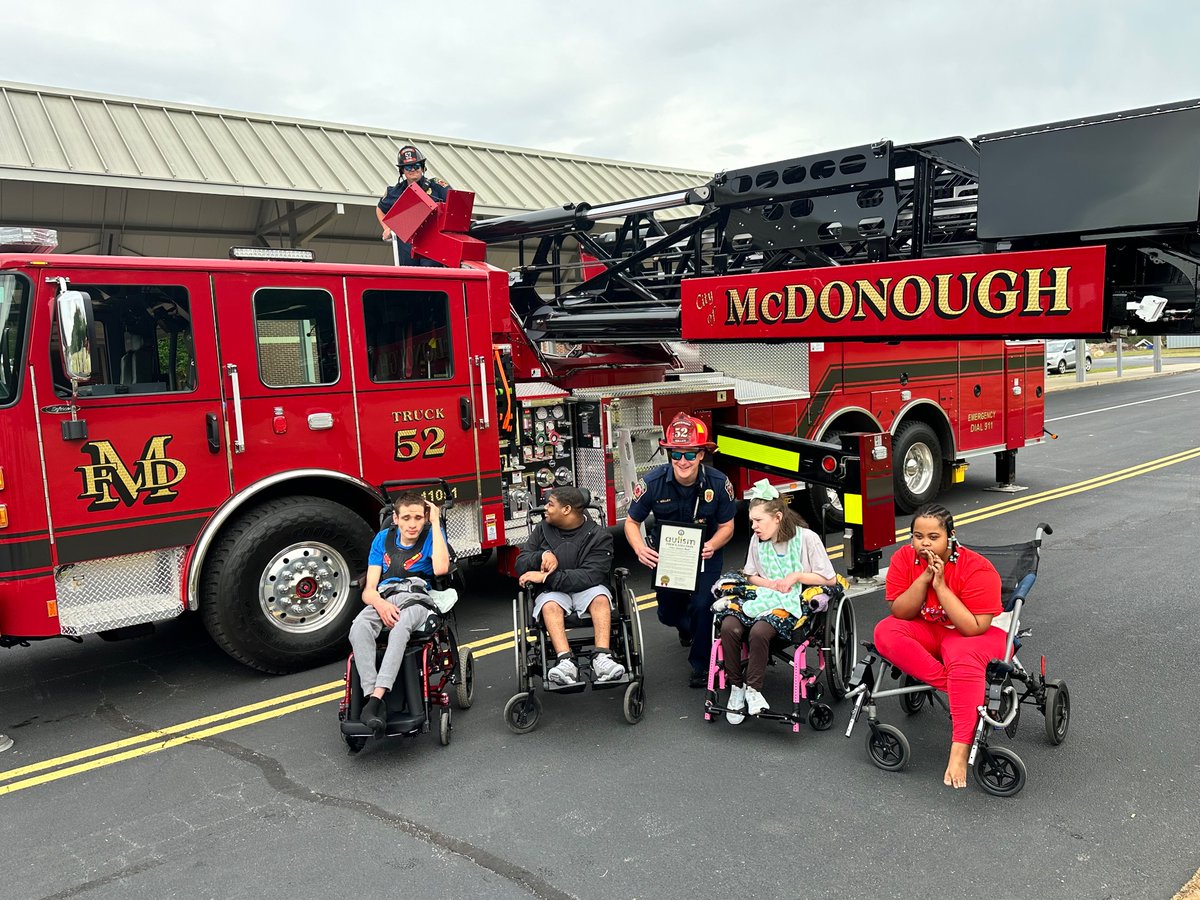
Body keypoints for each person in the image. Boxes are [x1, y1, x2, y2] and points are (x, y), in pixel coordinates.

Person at [873, 503, 1005, 789]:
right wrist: (924, 578)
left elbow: (973, 627)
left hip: (973, 635)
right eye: (918, 536)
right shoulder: (903, 559)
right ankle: (959, 687)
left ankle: (959, 749)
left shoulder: (978, 568)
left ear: (951, 536)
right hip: (929, 630)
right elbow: (901, 612)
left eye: (933, 537)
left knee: (962, 654)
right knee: (885, 631)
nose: (925, 543)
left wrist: (941, 586)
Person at [624, 412, 736, 687]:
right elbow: (631, 521)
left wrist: (712, 545)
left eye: (689, 454)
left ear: (701, 455)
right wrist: (640, 548)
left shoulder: (719, 484)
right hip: (669, 557)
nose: (682, 461)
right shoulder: (652, 482)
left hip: (705, 554)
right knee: (668, 614)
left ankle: (701, 666)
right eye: (676, 454)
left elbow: (728, 526)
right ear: (668, 454)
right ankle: (687, 629)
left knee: (702, 606)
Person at [712, 480, 837, 724]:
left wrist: (797, 576)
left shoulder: (807, 539)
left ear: (778, 517)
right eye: (752, 521)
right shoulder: (757, 542)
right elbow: (750, 575)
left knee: (759, 631)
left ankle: (753, 690)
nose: (754, 526)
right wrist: (769, 584)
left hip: (792, 602)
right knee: (728, 626)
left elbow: (829, 579)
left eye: (759, 521)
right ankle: (736, 687)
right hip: (764, 596)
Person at [350, 490, 451, 735]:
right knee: (358, 628)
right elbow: (369, 591)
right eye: (406, 518)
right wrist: (381, 605)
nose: (413, 524)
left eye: (418, 517)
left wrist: (436, 523)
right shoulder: (382, 539)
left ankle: (374, 702)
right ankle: (372, 698)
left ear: (425, 518)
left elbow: (440, 569)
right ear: (395, 518)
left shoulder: (430, 536)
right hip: (384, 596)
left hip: (417, 597)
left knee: (400, 627)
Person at [515, 486, 625, 685]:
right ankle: (565, 661)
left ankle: (602, 658)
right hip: (554, 593)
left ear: (566, 510)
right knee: (549, 605)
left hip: (586, 588)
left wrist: (545, 578)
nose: (545, 509)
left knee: (600, 598)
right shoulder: (542, 530)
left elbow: (590, 576)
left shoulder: (599, 536)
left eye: (550, 504)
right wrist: (542, 555)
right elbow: (520, 563)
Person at [376, 144, 451, 266]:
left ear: (422, 167)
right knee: (410, 280)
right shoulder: (395, 191)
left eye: (416, 166)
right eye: (408, 167)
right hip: (407, 246)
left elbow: (454, 205)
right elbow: (380, 209)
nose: (413, 170)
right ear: (402, 171)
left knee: (432, 279)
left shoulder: (436, 185)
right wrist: (386, 228)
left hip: (432, 242)